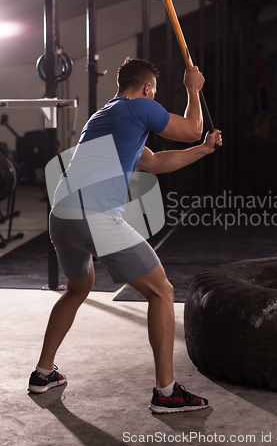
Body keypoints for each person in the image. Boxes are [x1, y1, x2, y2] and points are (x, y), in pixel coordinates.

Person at [28, 57, 222, 413]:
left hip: (62, 217)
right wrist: (192, 90)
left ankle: (43, 374)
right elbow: (192, 128)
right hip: (95, 216)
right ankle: (166, 393)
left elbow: (157, 162)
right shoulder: (141, 107)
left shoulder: (107, 117)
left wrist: (203, 150)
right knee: (162, 291)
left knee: (78, 287)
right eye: (154, 92)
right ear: (148, 88)